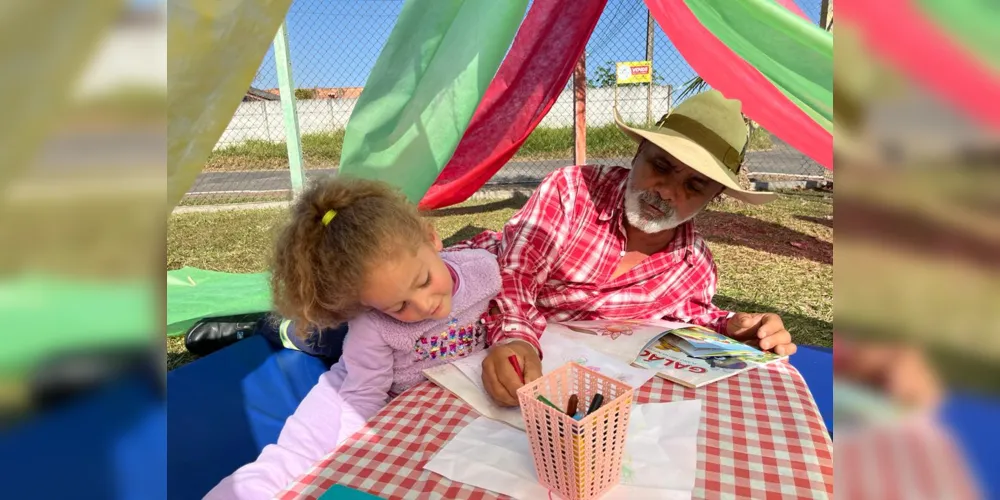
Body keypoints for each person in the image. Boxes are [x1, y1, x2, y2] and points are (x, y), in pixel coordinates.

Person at [451, 90, 799, 406]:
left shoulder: (693, 266)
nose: (666, 192)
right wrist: (516, 340)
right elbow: (516, 274)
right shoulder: (573, 192)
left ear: (713, 198)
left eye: (694, 186)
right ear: (638, 153)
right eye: (661, 166)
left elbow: (692, 317)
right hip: (468, 312)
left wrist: (736, 326)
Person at [205, 176, 500, 499]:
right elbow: (362, 397)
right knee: (290, 464)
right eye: (399, 306)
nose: (426, 305)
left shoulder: (483, 271)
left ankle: (284, 330)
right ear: (366, 305)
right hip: (352, 393)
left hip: (425, 402)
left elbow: (513, 306)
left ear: (432, 238)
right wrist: (354, 458)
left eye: (424, 280)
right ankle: (271, 329)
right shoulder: (370, 326)